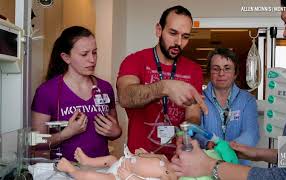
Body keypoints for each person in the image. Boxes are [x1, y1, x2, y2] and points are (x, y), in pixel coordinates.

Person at [171, 1, 286, 179]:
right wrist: (256, 153)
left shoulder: (246, 101)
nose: (285, 32)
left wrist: (212, 165)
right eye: (216, 68)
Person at [116, 5, 208, 158]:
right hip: (140, 159)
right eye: (173, 33)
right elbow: (125, 97)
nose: (178, 42)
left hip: (178, 160)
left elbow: (193, 113)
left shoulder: (194, 70)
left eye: (185, 36)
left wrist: (188, 130)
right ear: (159, 29)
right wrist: (164, 87)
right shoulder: (134, 61)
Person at [31, 26, 122, 161]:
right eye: (84, 54)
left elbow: (115, 130)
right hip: (64, 171)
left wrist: (116, 132)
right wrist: (67, 133)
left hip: (101, 169)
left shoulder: (105, 88)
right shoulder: (47, 91)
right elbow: (36, 143)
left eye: (95, 52)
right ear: (66, 57)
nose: (92, 59)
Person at [195, 48, 259, 165]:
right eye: (216, 69)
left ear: (235, 74)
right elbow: (197, 131)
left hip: (238, 167)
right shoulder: (199, 99)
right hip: (208, 166)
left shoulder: (248, 100)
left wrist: (226, 148)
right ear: (209, 73)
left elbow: (251, 134)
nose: (221, 73)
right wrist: (207, 143)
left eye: (227, 68)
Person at [56, 146, 177, 180]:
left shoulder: (170, 176)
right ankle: (87, 161)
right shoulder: (165, 158)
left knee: (97, 177)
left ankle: (72, 171)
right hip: (122, 162)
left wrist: (129, 177)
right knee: (110, 159)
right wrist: (142, 154)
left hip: (119, 176)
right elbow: (150, 157)